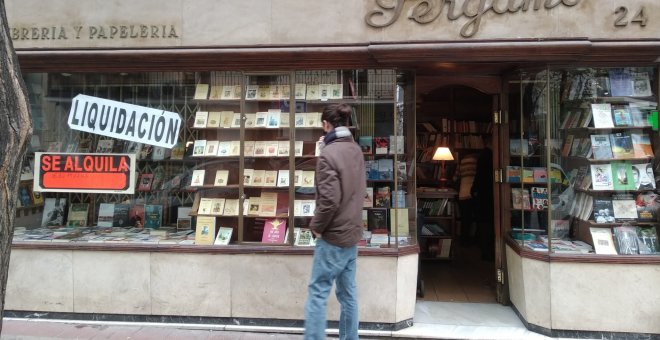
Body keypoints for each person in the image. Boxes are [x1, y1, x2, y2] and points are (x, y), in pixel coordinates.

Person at [304, 103, 366, 340]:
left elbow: (329, 201)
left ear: (325, 125)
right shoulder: (356, 150)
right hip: (351, 234)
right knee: (348, 294)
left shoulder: (328, 154)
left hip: (332, 236)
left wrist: (316, 227)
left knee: (318, 293)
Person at [471, 137, 494, 261]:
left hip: (483, 195)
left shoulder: (483, 156)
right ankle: (487, 251)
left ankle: (485, 250)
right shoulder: (488, 156)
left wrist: (474, 190)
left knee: (484, 223)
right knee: (487, 224)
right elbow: (480, 175)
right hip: (488, 195)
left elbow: (478, 175)